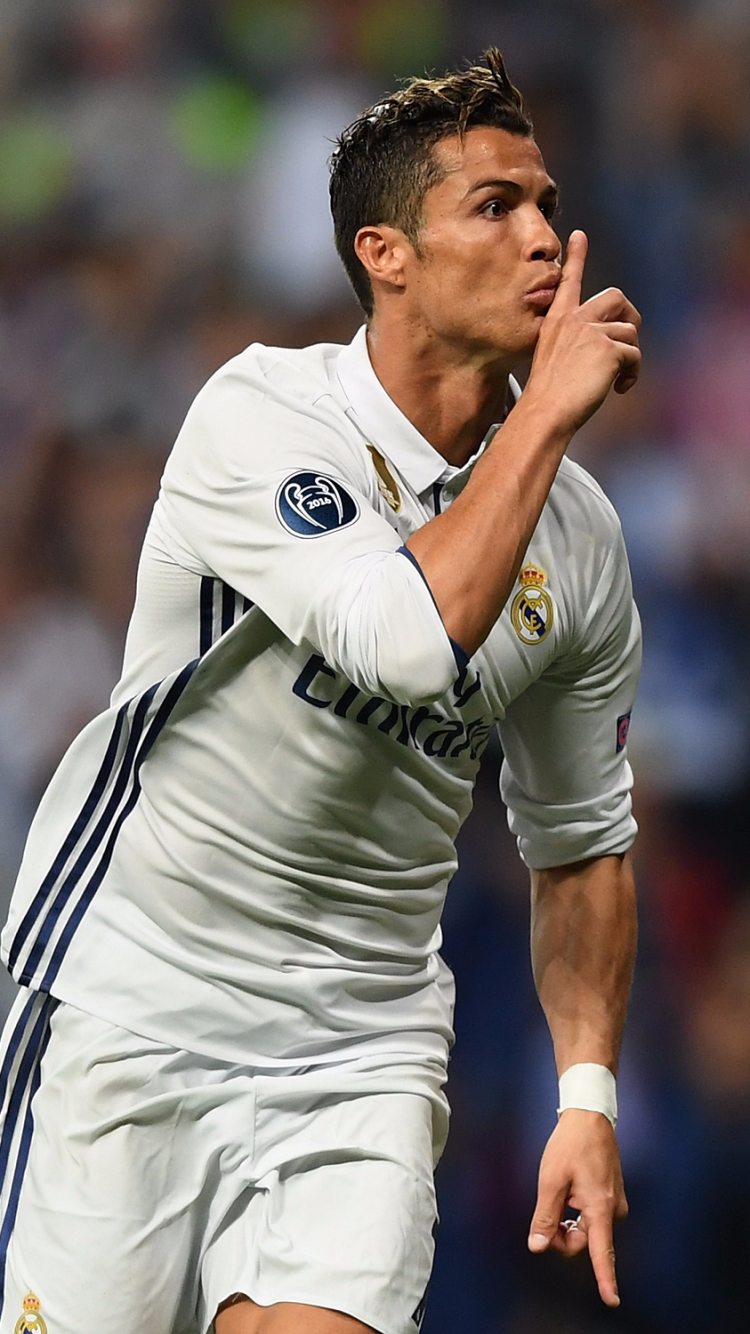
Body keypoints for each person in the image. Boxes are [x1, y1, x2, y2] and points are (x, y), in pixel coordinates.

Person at [0, 48, 641, 1334]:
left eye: (545, 203)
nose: (542, 237)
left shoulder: (580, 543)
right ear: (384, 254)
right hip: (137, 996)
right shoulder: (264, 418)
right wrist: (542, 426)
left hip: (360, 1048)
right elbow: (409, 638)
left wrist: (588, 1094)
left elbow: (581, 846)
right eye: (494, 206)